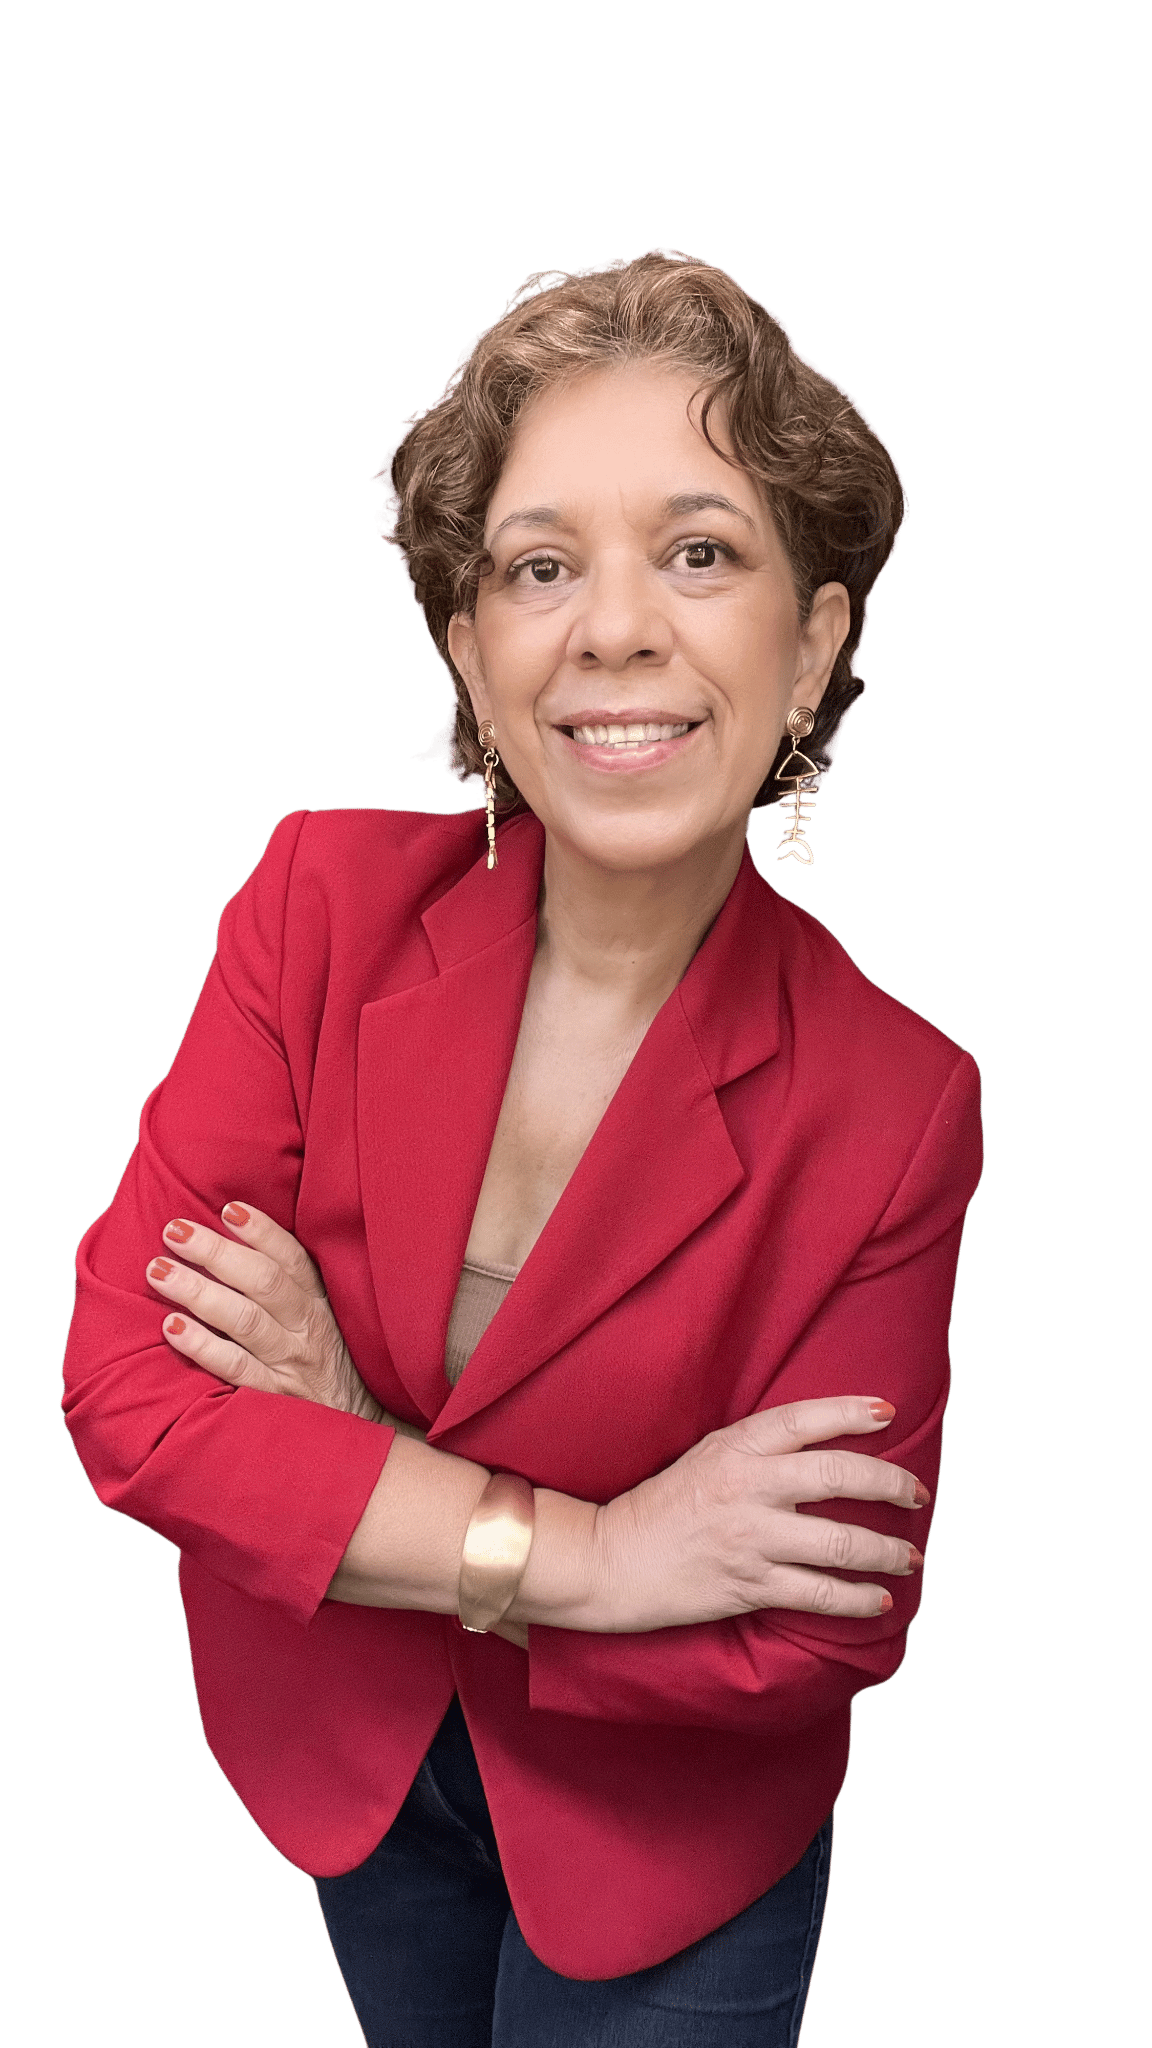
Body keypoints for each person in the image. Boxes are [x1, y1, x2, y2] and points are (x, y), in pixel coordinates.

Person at [62, 249, 984, 2047]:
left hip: (664, 1844)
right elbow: (131, 1398)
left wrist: (353, 1446)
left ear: (813, 646)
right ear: (472, 659)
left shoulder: (896, 1104)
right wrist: (607, 1557)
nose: (613, 629)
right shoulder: (314, 910)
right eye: (540, 567)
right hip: (357, 1776)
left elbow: (812, 1632)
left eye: (700, 552)